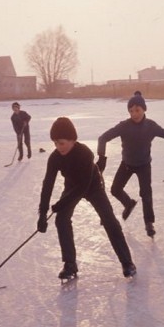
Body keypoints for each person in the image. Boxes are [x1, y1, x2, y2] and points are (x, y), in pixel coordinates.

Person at [37, 117, 136, 280]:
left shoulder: (84, 153)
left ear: (72, 140)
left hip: (93, 186)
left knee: (109, 220)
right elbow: (47, 185)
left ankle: (127, 263)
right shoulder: (55, 158)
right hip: (71, 187)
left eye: (61, 143)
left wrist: (61, 203)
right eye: (55, 143)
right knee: (61, 219)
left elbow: (83, 186)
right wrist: (42, 214)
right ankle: (70, 264)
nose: (58, 147)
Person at [97, 91, 164, 237]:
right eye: (131, 111)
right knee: (115, 189)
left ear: (144, 109)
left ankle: (149, 223)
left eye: (137, 110)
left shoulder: (150, 126)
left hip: (143, 165)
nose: (134, 114)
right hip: (127, 163)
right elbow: (103, 138)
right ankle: (128, 203)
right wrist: (102, 157)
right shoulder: (124, 126)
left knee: (146, 194)